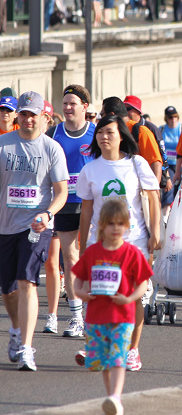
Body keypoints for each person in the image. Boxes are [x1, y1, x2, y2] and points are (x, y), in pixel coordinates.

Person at [76, 114, 161, 371]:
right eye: (100, 132)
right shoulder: (90, 169)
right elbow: (87, 211)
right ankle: (97, 345)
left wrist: (155, 232)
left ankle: (132, 350)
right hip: (100, 243)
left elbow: (153, 198)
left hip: (134, 240)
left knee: (133, 296)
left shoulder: (137, 163)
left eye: (109, 132)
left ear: (121, 135)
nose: (104, 137)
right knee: (99, 292)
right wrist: (84, 244)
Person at [0, 91, 68, 370]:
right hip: (5, 226)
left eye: (33, 114)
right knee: (8, 289)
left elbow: (62, 192)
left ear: (44, 117)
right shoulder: (3, 145)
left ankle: (27, 348)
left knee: (27, 282)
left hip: (37, 226)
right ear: (18, 115)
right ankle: (15, 330)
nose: (28, 119)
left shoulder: (52, 149)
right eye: (24, 113)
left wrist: (48, 213)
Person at [73, 199, 153, 415]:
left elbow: (143, 283)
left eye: (120, 223)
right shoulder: (92, 252)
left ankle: (116, 399)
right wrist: (81, 294)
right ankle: (111, 401)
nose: (116, 228)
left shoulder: (132, 253)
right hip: (96, 318)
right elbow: (77, 282)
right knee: (103, 364)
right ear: (101, 226)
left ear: (127, 226)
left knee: (117, 359)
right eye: (111, 224)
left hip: (122, 317)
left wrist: (129, 298)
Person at [45, 84, 96, 338]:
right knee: (70, 257)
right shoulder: (54, 134)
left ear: (85, 107)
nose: (67, 108)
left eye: (72, 103)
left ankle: (94, 313)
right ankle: (77, 317)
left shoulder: (97, 134)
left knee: (93, 257)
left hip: (92, 205)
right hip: (64, 203)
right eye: (64, 103)